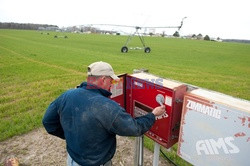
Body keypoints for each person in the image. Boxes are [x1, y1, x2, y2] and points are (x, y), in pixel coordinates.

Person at [42, 61, 165, 166]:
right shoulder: (107, 107)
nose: (112, 84)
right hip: (96, 162)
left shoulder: (67, 95)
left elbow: (48, 122)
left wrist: (71, 136)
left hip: (72, 159)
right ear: (103, 79)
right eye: (110, 80)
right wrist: (153, 115)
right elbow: (135, 128)